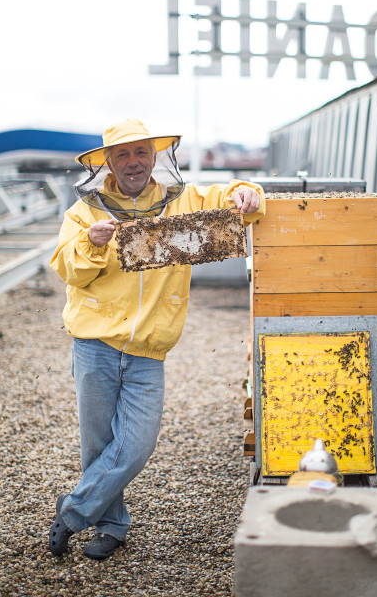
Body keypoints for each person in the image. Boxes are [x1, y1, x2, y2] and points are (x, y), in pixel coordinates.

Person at [48, 118, 265, 560]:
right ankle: (111, 526)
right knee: (98, 445)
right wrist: (91, 242)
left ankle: (71, 512)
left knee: (136, 444)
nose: (133, 162)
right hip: (95, 345)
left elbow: (237, 199)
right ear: (107, 162)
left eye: (141, 153)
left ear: (155, 158)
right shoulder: (84, 212)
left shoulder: (179, 201)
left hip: (150, 348)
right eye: (123, 155)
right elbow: (67, 269)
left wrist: (249, 193)